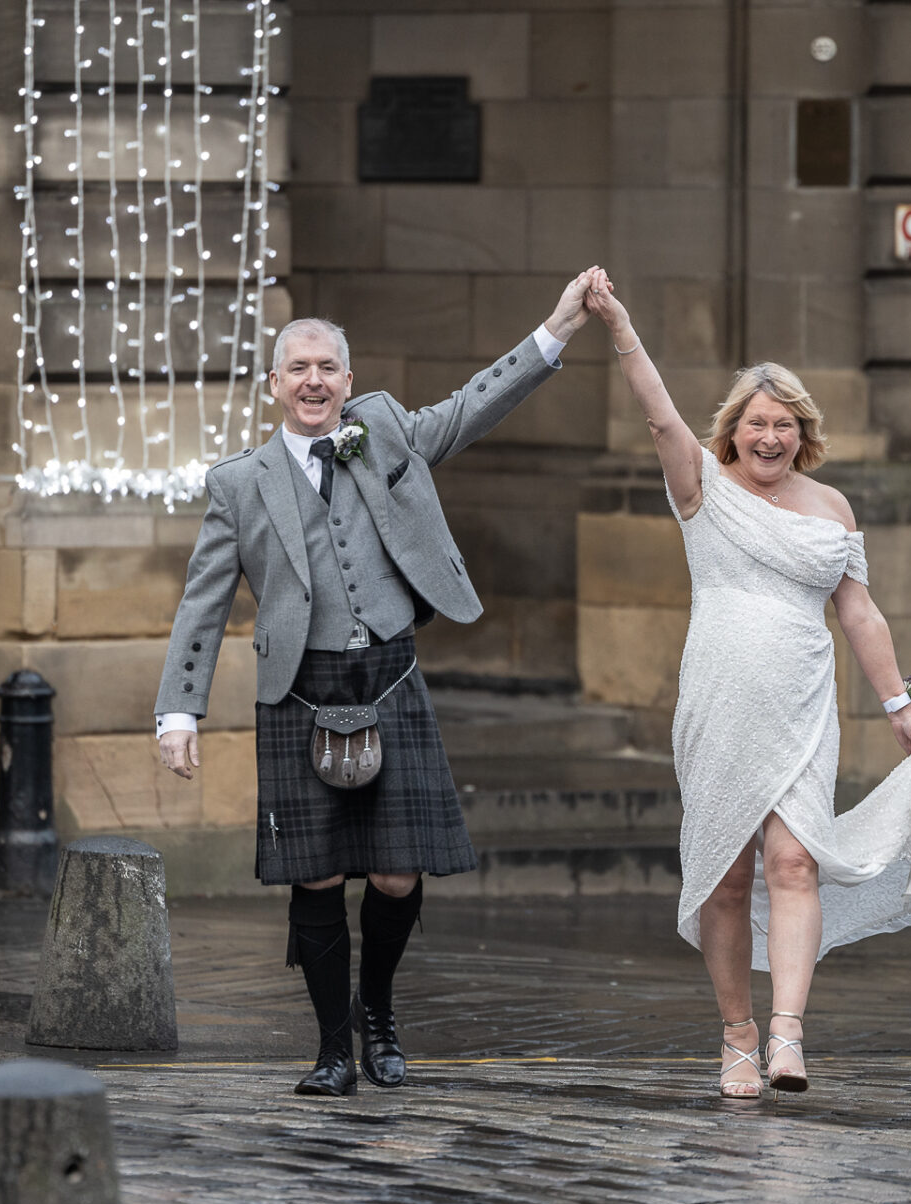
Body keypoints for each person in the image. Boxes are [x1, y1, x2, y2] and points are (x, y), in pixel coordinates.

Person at [155, 272, 598, 1096]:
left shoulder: (386, 429)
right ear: (275, 385)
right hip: (299, 687)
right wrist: (178, 709)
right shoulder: (239, 483)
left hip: (390, 676)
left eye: (327, 367)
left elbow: (470, 406)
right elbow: (204, 600)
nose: (314, 381)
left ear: (348, 382)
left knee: (397, 873)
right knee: (317, 873)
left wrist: (557, 328)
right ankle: (330, 1049)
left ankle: (379, 1012)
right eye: (298, 369)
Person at [583, 269, 911, 1099]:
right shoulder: (700, 489)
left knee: (794, 863)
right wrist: (617, 321)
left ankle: (789, 1035)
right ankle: (736, 1038)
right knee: (726, 872)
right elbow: (657, 410)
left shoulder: (831, 509)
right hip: (719, 698)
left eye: (783, 425)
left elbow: (860, 616)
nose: (768, 437)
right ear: (733, 430)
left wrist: (900, 708)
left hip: (801, 703)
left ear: (803, 434)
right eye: (756, 422)